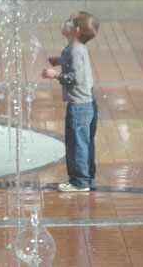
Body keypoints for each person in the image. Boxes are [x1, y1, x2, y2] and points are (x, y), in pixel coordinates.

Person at [41, 12, 99, 192]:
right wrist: (61, 61)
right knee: (85, 143)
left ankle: (78, 182)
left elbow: (75, 78)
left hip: (79, 107)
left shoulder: (74, 51)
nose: (65, 22)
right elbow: (77, 67)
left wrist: (55, 75)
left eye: (69, 21)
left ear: (76, 30)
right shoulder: (77, 49)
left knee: (77, 144)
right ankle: (88, 179)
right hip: (87, 104)